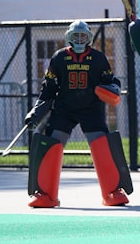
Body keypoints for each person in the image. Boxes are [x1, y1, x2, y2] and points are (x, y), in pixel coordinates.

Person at [24, 20, 132, 208]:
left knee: (102, 145)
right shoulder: (58, 58)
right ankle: (46, 194)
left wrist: (113, 88)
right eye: (76, 36)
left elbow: (110, 81)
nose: (80, 39)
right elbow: (48, 89)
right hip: (64, 109)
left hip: (91, 109)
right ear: (69, 38)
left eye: (83, 36)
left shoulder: (99, 58)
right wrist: (36, 111)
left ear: (89, 38)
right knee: (52, 145)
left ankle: (112, 191)